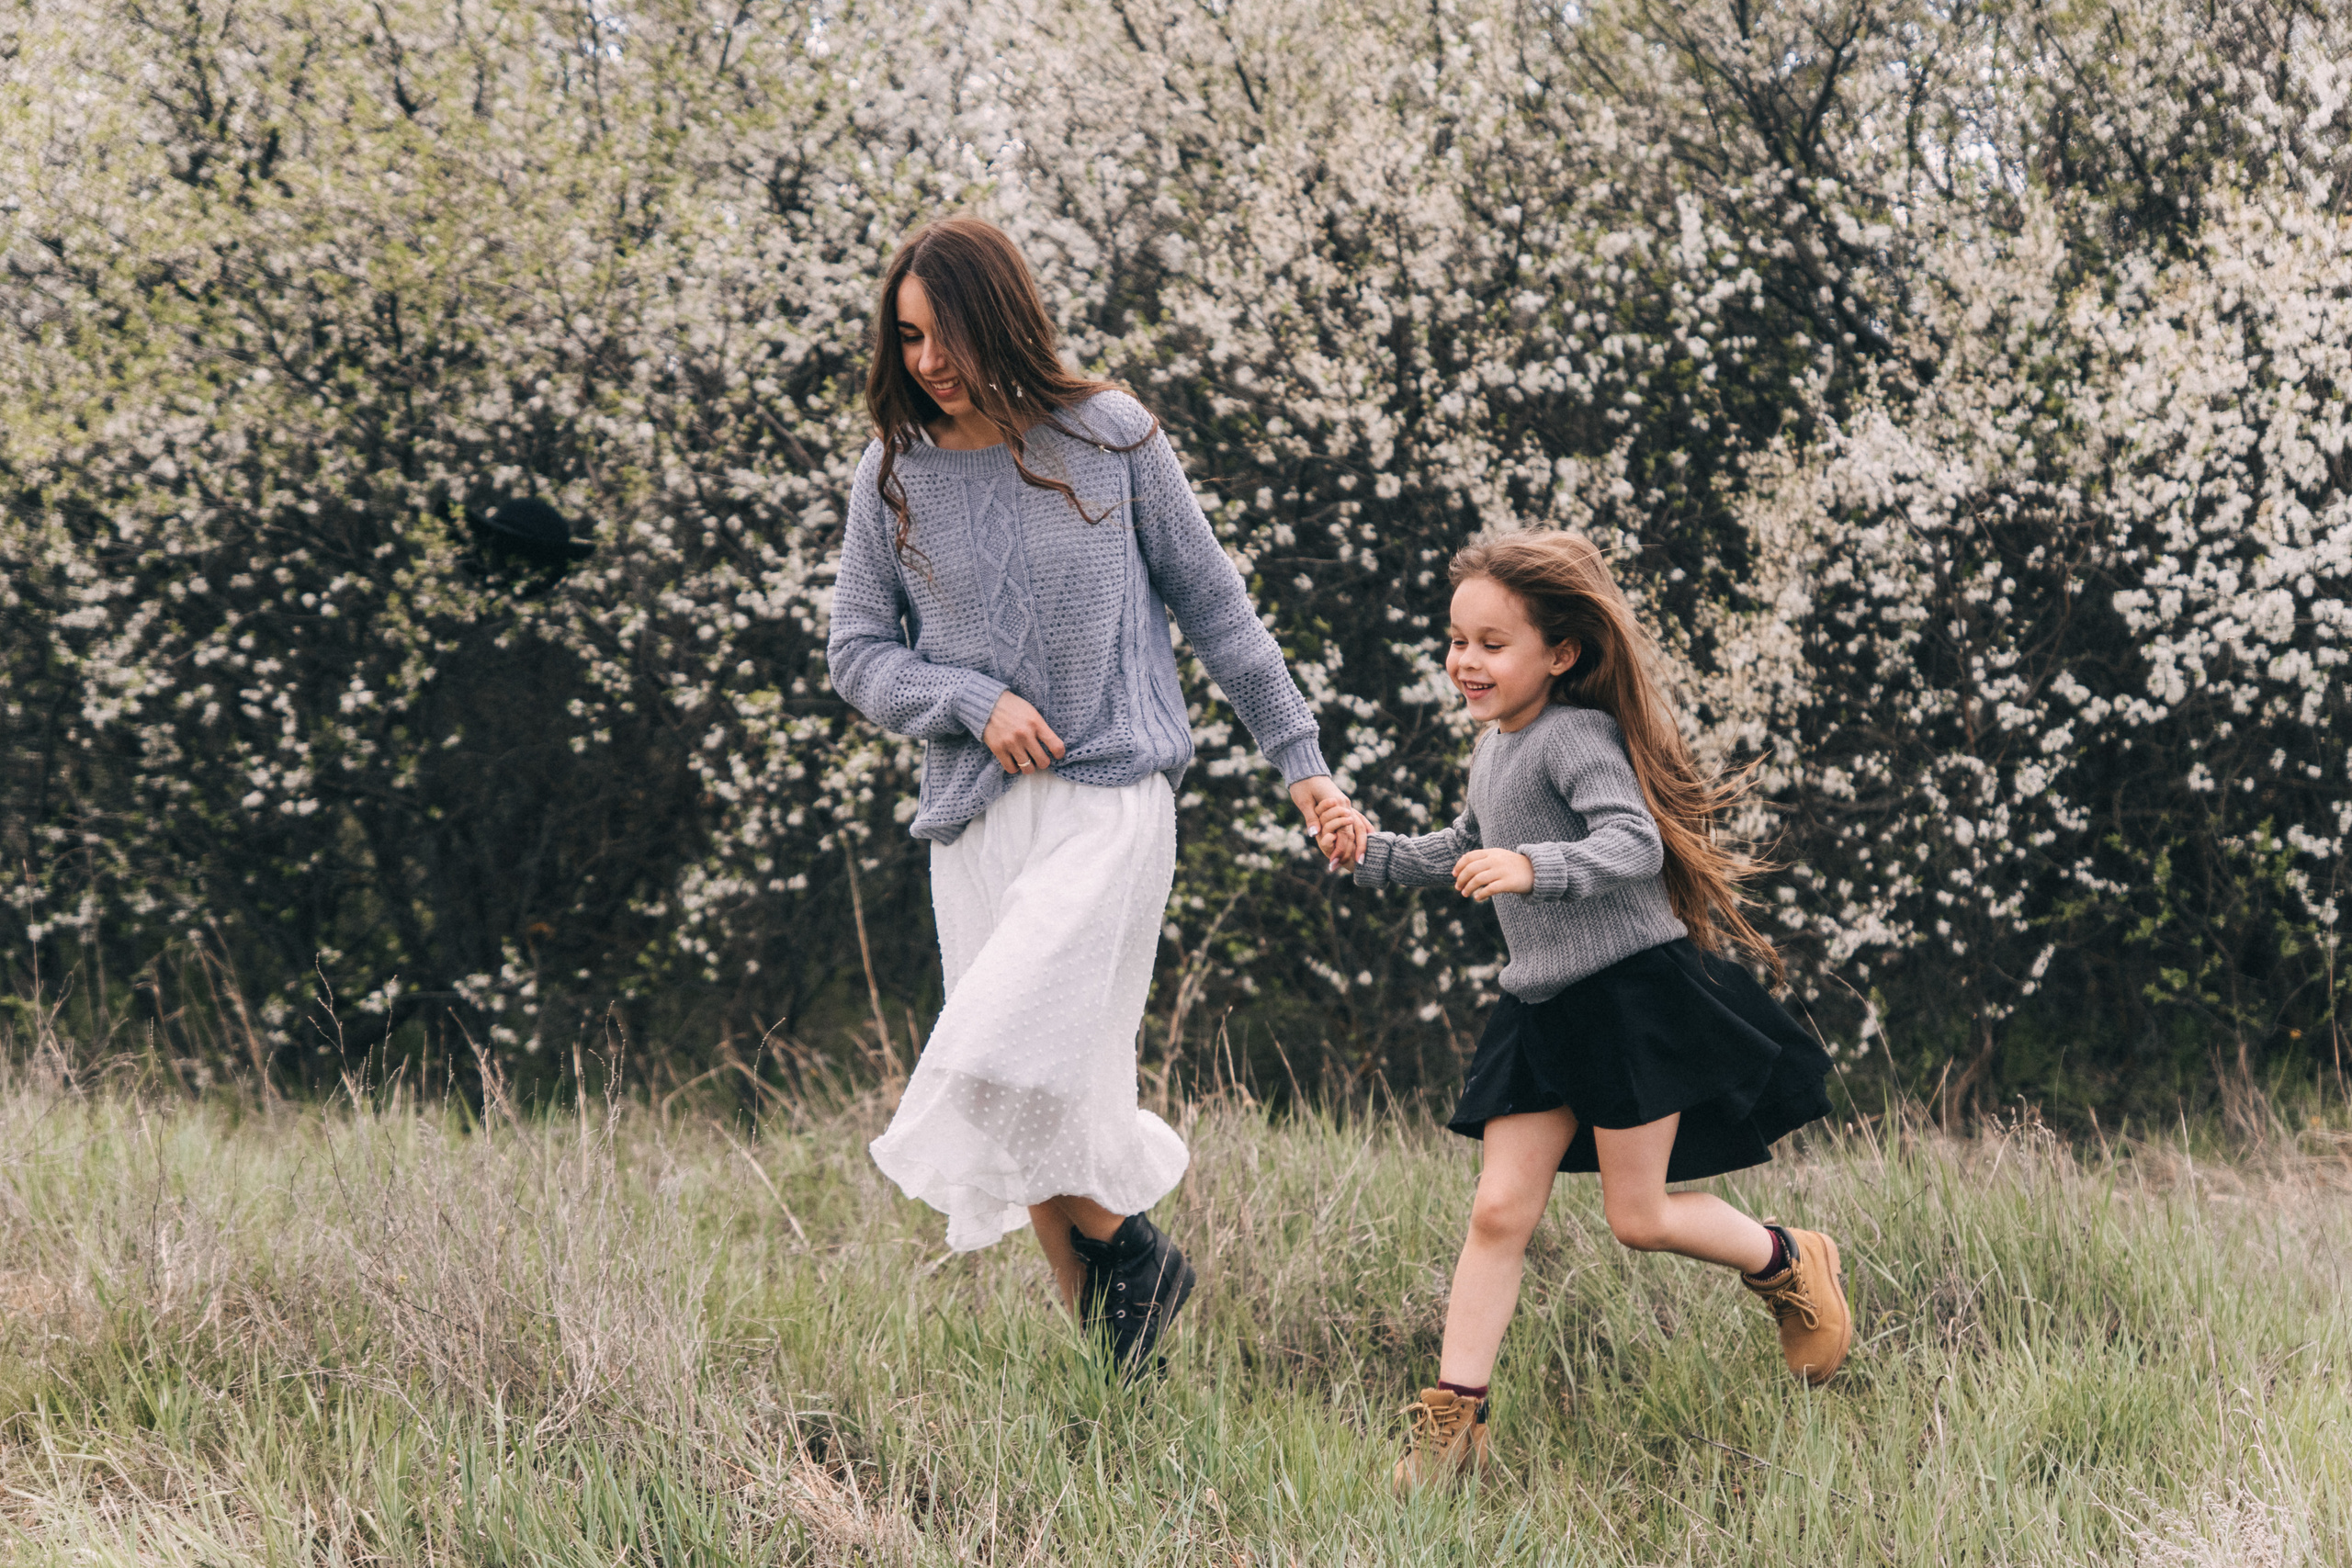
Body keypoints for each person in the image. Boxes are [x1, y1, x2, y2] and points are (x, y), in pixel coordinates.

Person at [825, 215, 1365, 1374]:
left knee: (997, 1054)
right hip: (973, 822)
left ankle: (1135, 1253)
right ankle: (1121, 1373)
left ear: (1002, 318)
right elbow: (857, 653)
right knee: (1047, 1102)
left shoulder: (1113, 442)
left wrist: (1303, 767)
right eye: (907, 336)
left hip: (1107, 800)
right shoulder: (892, 471)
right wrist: (971, 700)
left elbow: (1219, 613)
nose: (926, 361)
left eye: (946, 333)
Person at [1316, 529, 1847, 1494]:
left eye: (1490, 643)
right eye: (1455, 640)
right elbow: (1468, 844)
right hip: (1542, 1005)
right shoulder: (1496, 747)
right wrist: (1374, 850)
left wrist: (1534, 870)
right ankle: (1454, 1425)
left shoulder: (1576, 735)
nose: (1463, 662)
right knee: (1496, 1211)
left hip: (1628, 995)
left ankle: (1787, 1258)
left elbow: (1631, 845)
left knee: (1637, 1217)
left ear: (1558, 654)